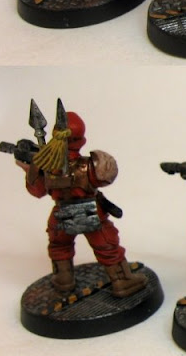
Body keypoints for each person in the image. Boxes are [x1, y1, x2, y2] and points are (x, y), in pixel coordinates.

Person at [16, 109, 147, 298]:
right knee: (107, 247)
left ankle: (63, 279)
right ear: (81, 140)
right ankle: (122, 281)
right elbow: (105, 178)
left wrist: (33, 171)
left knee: (59, 246)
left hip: (60, 214)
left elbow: (37, 191)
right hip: (90, 213)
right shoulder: (90, 164)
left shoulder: (46, 167)